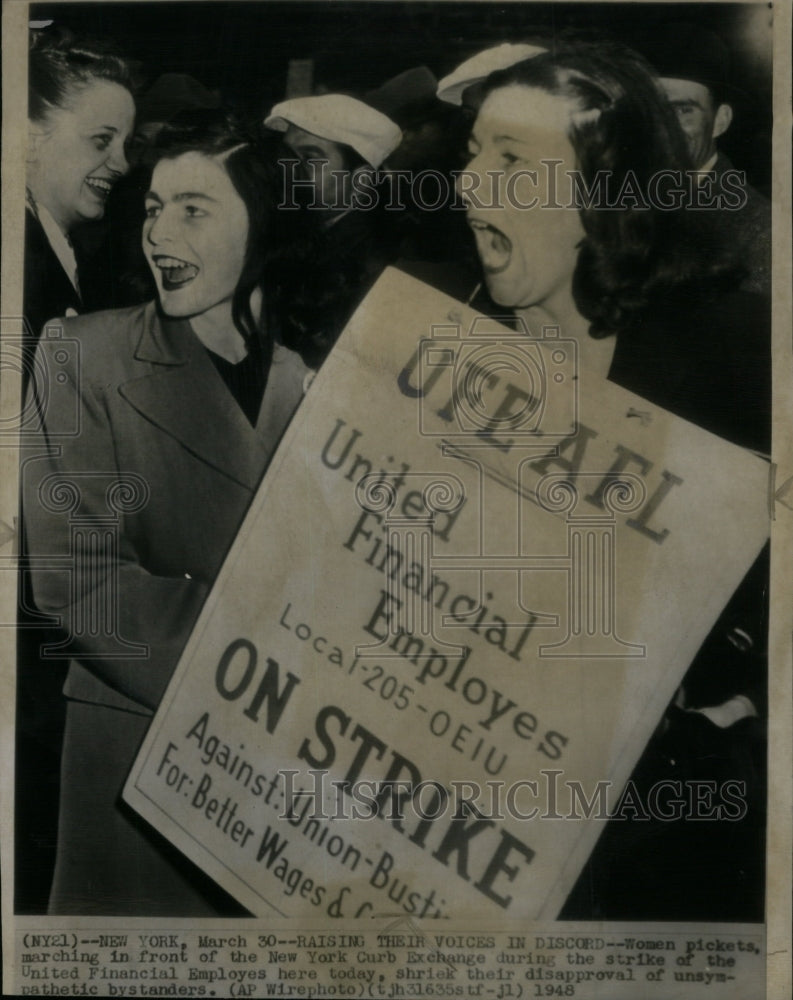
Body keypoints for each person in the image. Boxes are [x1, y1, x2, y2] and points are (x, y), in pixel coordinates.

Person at [460, 40, 769, 920]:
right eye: (470, 155)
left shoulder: (738, 353)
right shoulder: (431, 337)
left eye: (511, 160)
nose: (469, 185)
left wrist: (731, 715)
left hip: (655, 842)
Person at [23, 111, 313, 915]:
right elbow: (72, 579)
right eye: (153, 207)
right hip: (137, 754)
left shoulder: (315, 379)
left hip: (286, 786)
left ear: (266, 223)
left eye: (194, 208)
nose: (159, 233)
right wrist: (274, 669)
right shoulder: (83, 353)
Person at [25, 28, 137, 374]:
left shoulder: (62, 252)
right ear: (29, 139)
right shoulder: (18, 260)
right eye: (102, 140)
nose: (123, 165)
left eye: (125, 145)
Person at [264, 94, 403, 365]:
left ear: (361, 182)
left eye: (309, 159)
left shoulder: (373, 270)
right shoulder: (292, 235)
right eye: (284, 157)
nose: (287, 172)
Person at [642, 23, 771, 295]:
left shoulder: (759, 230)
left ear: (720, 122)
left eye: (683, 110)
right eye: (654, 109)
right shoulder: (626, 201)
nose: (664, 126)